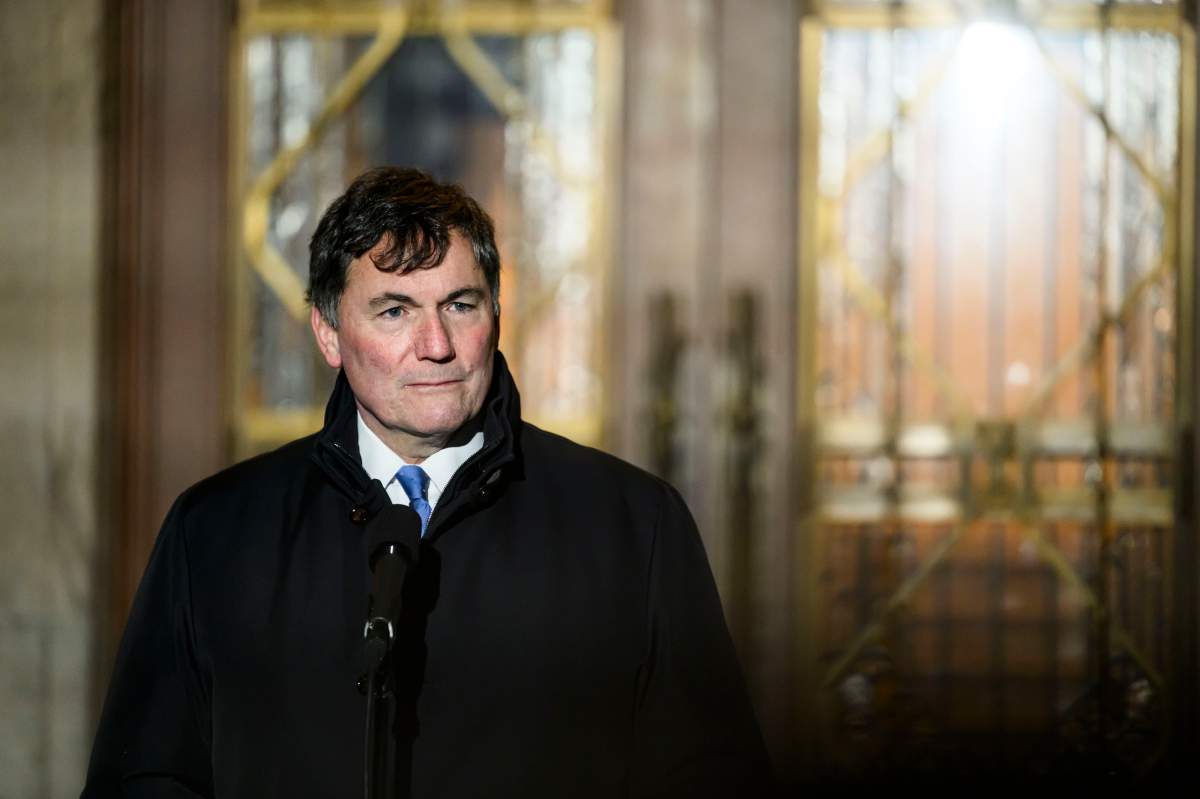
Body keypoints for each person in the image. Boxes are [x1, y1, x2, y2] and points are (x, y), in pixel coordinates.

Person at [83, 167, 771, 798]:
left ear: (494, 315)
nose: (436, 344)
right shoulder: (215, 532)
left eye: (461, 305)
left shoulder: (633, 524)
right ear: (328, 332)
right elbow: (148, 777)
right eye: (395, 311)